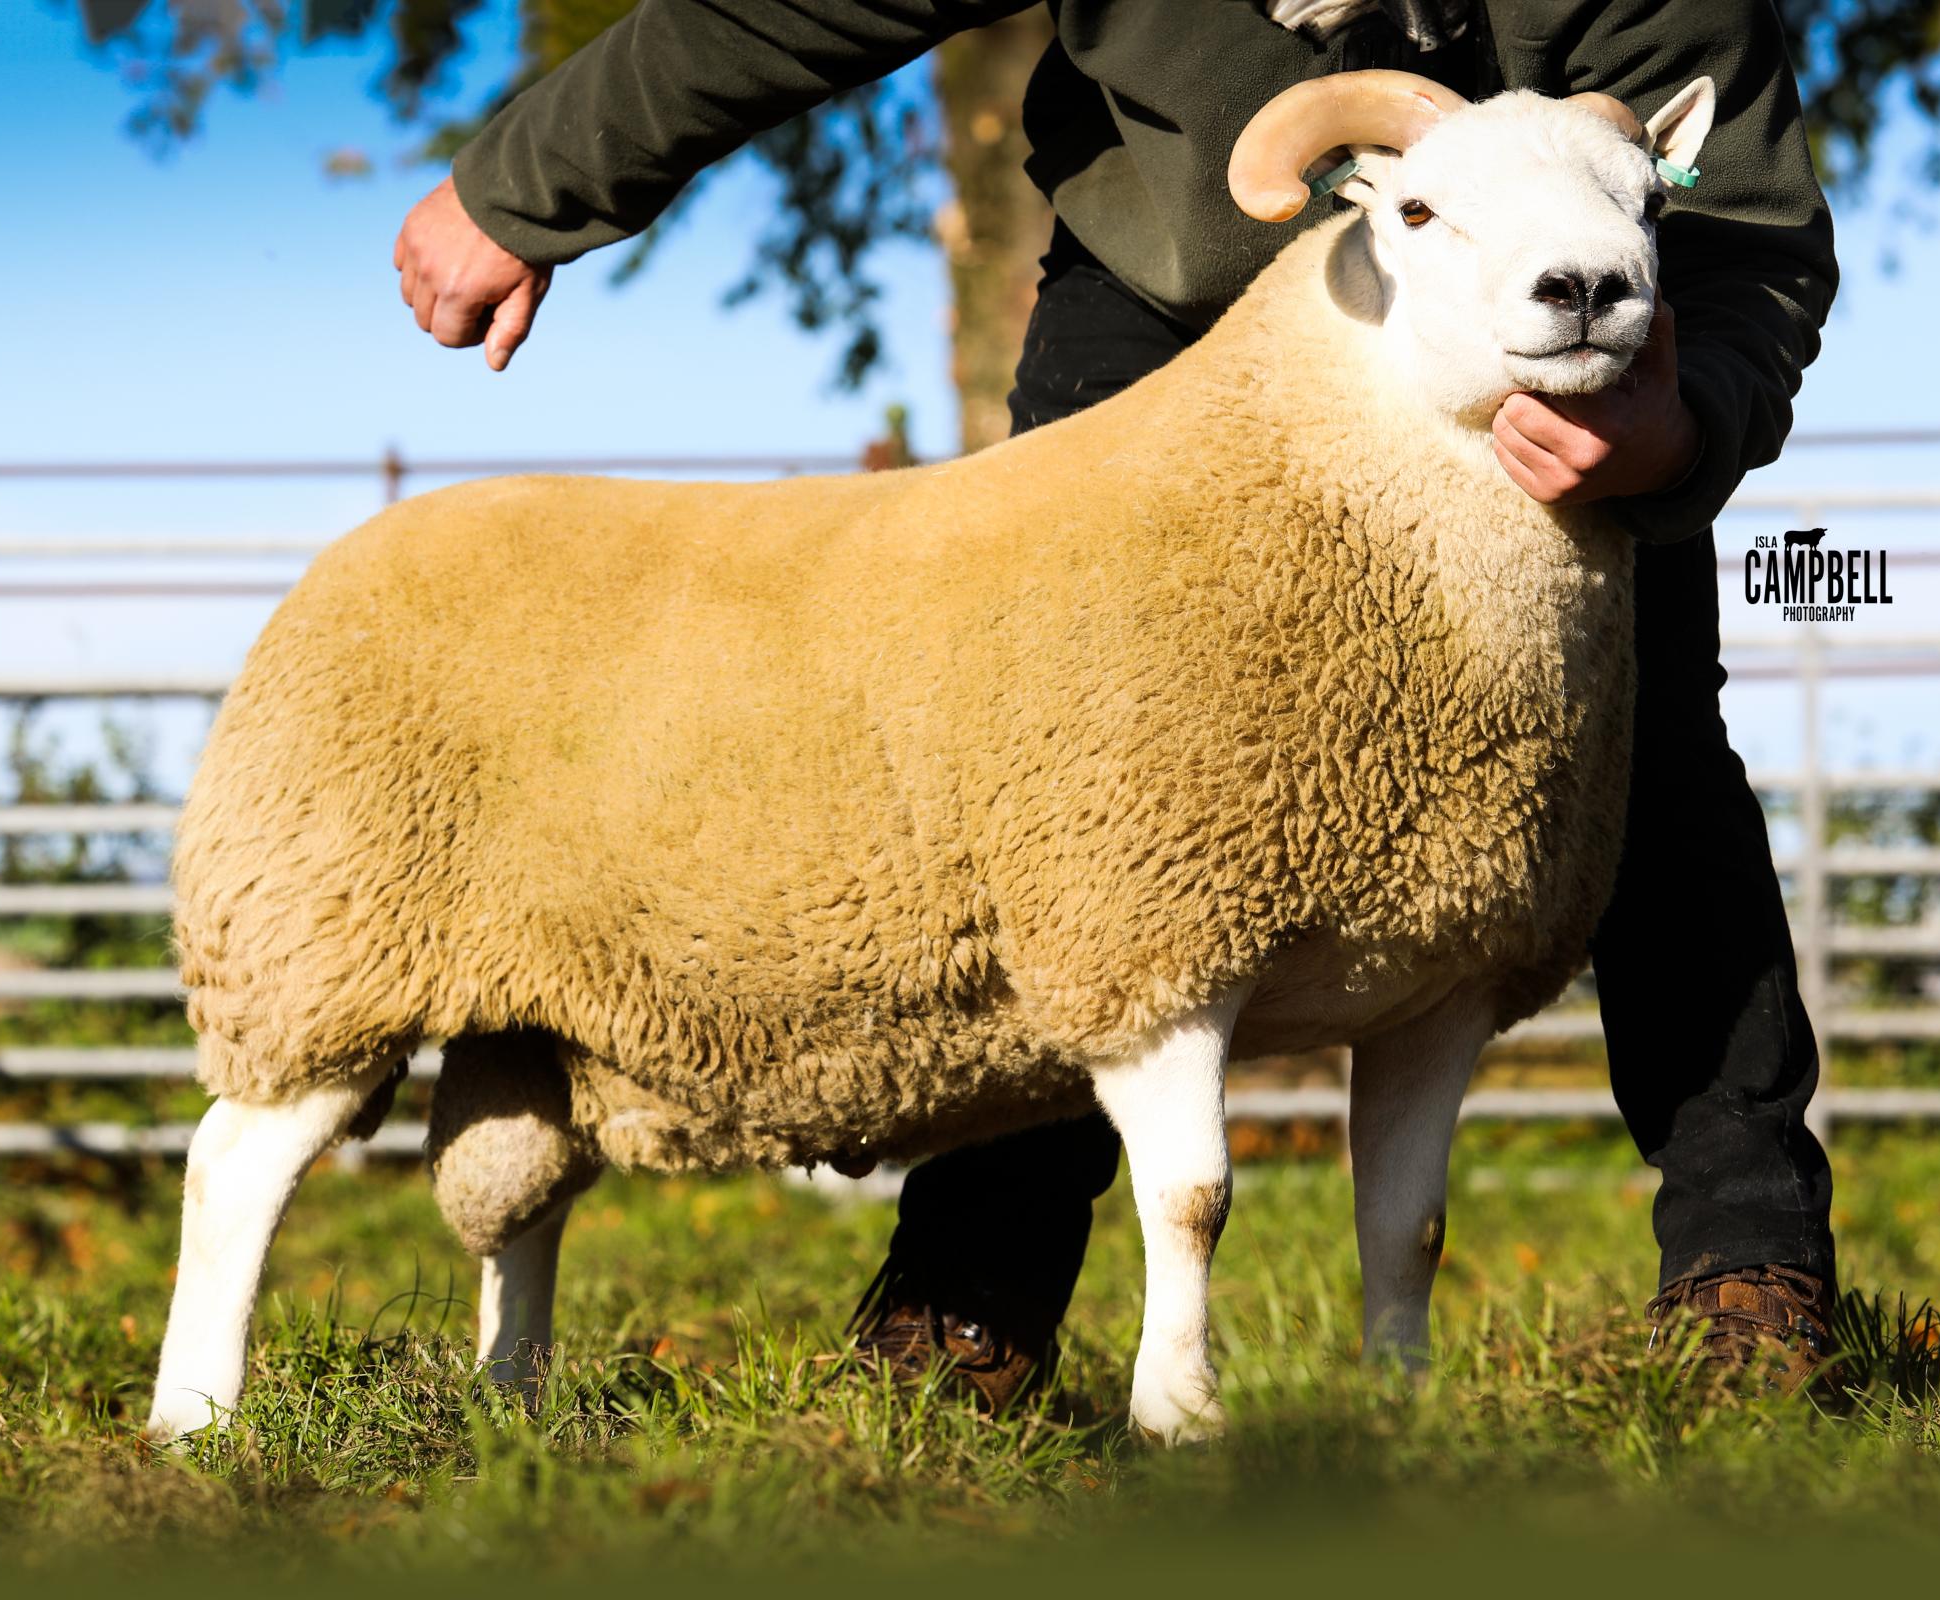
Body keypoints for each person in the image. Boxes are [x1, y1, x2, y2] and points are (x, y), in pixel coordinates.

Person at [391, 0, 1844, 1403]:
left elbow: (1746, 221)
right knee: (1066, 774)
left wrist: (1683, 425)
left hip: (1539, 345)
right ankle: (969, 1305)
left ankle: (1747, 1269)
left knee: (1628, 738)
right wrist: (534, 183)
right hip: (1160, 293)